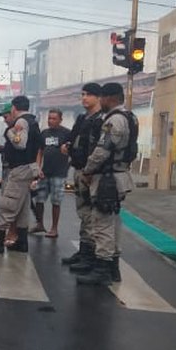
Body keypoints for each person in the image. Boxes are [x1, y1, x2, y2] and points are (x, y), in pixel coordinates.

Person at [76, 82, 138, 286]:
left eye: (101, 97)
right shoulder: (131, 117)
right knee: (112, 221)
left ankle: (103, 267)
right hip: (119, 174)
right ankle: (113, 267)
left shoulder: (114, 121)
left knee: (101, 222)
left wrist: (87, 170)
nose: (100, 101)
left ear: (110, 98)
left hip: (107, 179)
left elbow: (103, 150)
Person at [0, 96, 41, 255]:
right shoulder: (33, 122)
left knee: (9, 204)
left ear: (14, 108)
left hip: (20, 169)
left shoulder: (21, 123)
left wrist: (9, 133)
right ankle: (22, 240)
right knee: (23, 208)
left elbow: (20, 143)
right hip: (28, 167)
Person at [61, 83, 105, 270]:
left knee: (93, 216)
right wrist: (67, 146)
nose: (84, 98)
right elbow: (71, 137)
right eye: (83, 94)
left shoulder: (102, 119)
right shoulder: (82, 118)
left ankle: (92, 255)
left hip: (92, 173)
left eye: (88, 95)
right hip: (78, 169)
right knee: (83, 212)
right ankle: (84, 250)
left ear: (98, 97)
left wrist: (90, 170)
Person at [31, 109, 72, 238]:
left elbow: (72, 152)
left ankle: (54, 228)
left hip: (59, 173)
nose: (51, 121)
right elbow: (40, 151)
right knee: (39, 199)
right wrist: (38, 168)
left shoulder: (66, 133)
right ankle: (39, 224)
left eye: (54, 118)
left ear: (60, 119)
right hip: (45, 172)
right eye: (49, 118)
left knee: (56, 201)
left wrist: (67, 166)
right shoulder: (44, 133)